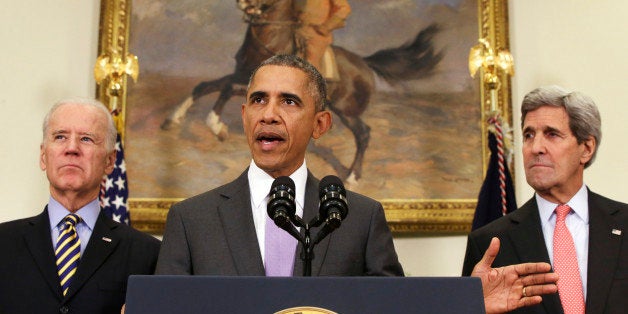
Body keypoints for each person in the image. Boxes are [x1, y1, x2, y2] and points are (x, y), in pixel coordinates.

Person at [156, 54, 558, 312]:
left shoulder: (360, 217)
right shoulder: (192, 220)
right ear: (243, 115)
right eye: (259, 100)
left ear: (321, 124)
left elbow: (395, 309)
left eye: (289, 101)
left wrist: (465, 302)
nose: (269, 114)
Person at [462, 85, 628, 313]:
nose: (536, 147)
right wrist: (472, 307)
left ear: (587, 148)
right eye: (529, 135)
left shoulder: (624, 225)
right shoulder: (489, 242)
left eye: (552, 134)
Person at [0, 98, 161, 313]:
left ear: (110, 161)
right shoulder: (4, 243)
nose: (72, 148)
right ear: (43, 156)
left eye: (86, 139)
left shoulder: (147, 253)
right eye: (60, 137)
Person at [294, 0, 351, 79]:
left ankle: (312, 86)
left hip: (316, 33)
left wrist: (326, 27)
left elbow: (344, 9)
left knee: (310, 61)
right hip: (293, 29)